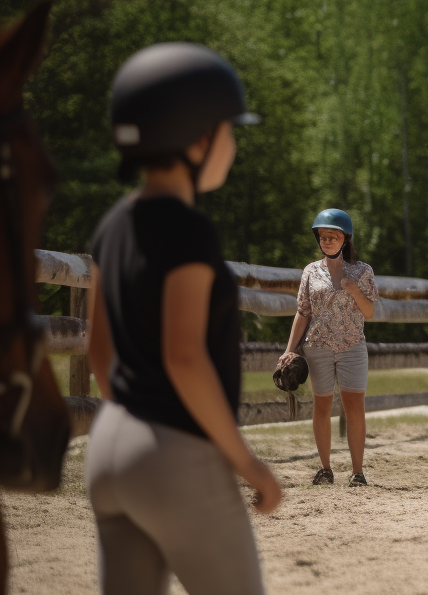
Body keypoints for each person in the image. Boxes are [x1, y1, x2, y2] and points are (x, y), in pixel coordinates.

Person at [85, 42, 279, 595]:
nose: (234, 143)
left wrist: (129, 423)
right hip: (175, 456)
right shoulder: (188, 231)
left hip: (109, 448)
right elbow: (184, 355)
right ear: (197, 138)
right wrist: (247, 464)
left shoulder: (113, 225)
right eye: (229, 130)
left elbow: (98, 347)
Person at [276, 209, 379, 486]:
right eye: (323, 237)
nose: (327, 241)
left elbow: (369, 312)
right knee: (321, 406)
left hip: (352, 346)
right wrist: (290, 349)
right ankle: (325, 469)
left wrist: (355, 290)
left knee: (354, 406)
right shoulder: (310, 271)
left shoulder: (362, 271)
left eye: (333, 237)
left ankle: (357, 472)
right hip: (317, 346)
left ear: (345, 239)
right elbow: (303, 312)